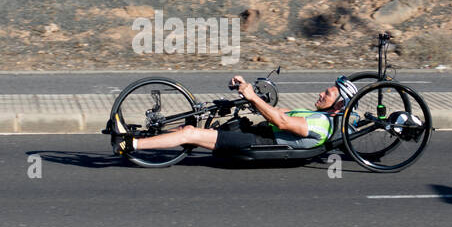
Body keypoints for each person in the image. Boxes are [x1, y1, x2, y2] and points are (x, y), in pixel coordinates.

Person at [112, 75, 360, 157]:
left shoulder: (322, 122)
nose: (321, 93)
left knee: (190, 133)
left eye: (327, 93)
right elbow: (278, 112)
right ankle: (139, 135)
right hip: (259, 132)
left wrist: (253, 97)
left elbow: (281, 121)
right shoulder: (317, 113)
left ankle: (129, 144)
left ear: (339, 104)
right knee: (195, 127)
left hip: (260, 144)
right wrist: (249, 91)